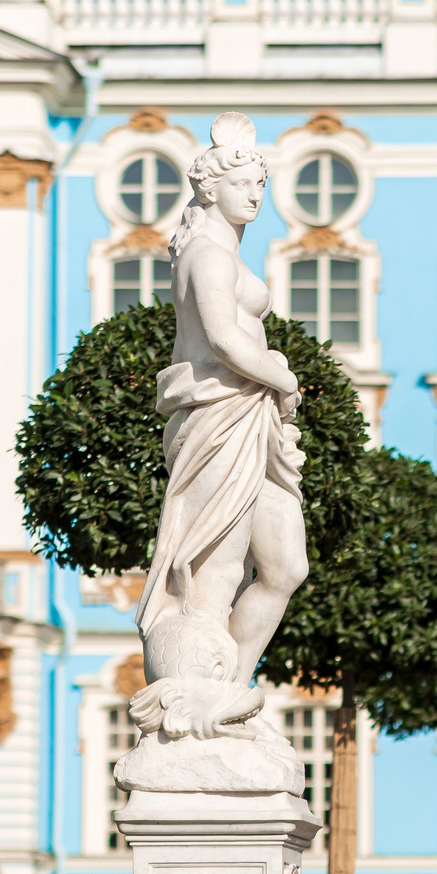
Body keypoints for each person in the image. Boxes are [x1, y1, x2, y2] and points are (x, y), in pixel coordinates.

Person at [138, 112, 309, 687]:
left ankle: (232, 690)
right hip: (217, 413)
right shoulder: (207, 254)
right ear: (211, 188)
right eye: (244, 184)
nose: (256, 195)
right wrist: (282, 378)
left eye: (261, 184)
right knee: (217, 562)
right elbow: (222, 337)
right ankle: (200, 691)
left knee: (285, 565)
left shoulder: (224, 252)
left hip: (249, 416)